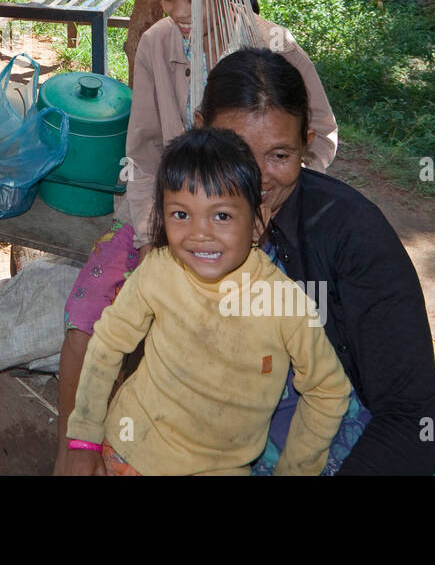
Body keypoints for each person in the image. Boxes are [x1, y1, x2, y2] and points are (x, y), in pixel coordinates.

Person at [63, 48, 435, 475]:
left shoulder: (355, 236)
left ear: (306, 144)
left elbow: (409, 415)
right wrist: (80, 441)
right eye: (239, 150)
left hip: (369, 452)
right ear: (201, 133)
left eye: (280, 155)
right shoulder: (178, 228)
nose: (259, 177)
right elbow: (97, 331)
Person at [52, 0, 338, 472]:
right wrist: (151, 232)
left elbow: (319, 136)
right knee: (86, 320)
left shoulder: (273, 48)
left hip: (259, 226)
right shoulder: (158, 45)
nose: (179, 11)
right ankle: (73, 455)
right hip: (166, 218)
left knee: (247, 340)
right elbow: (141, 150)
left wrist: (270, 200)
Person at [64, 128, 352, 475]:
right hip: (129, 450)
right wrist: (84, 439)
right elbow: (107, 345)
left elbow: (328, 391)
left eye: (222, 216)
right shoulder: (158, 270)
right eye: (181, 214)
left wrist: (294, 470)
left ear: (258, 219)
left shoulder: (285, 304)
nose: (200, 233)